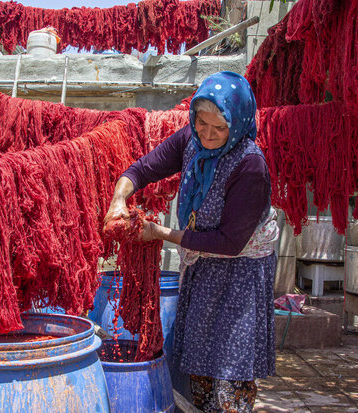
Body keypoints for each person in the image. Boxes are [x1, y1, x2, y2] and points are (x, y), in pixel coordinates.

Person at [103, 71, 278, 412]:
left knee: (229, 373)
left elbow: (230, 243)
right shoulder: (191, 140)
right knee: (199, 370)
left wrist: (161, 234)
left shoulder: (250, 166)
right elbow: (142, 169)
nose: (208, 135)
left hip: (240, 276)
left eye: (219, 128)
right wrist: (118, 200)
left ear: (237, 123)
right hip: (202, 269)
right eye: (202, 123)